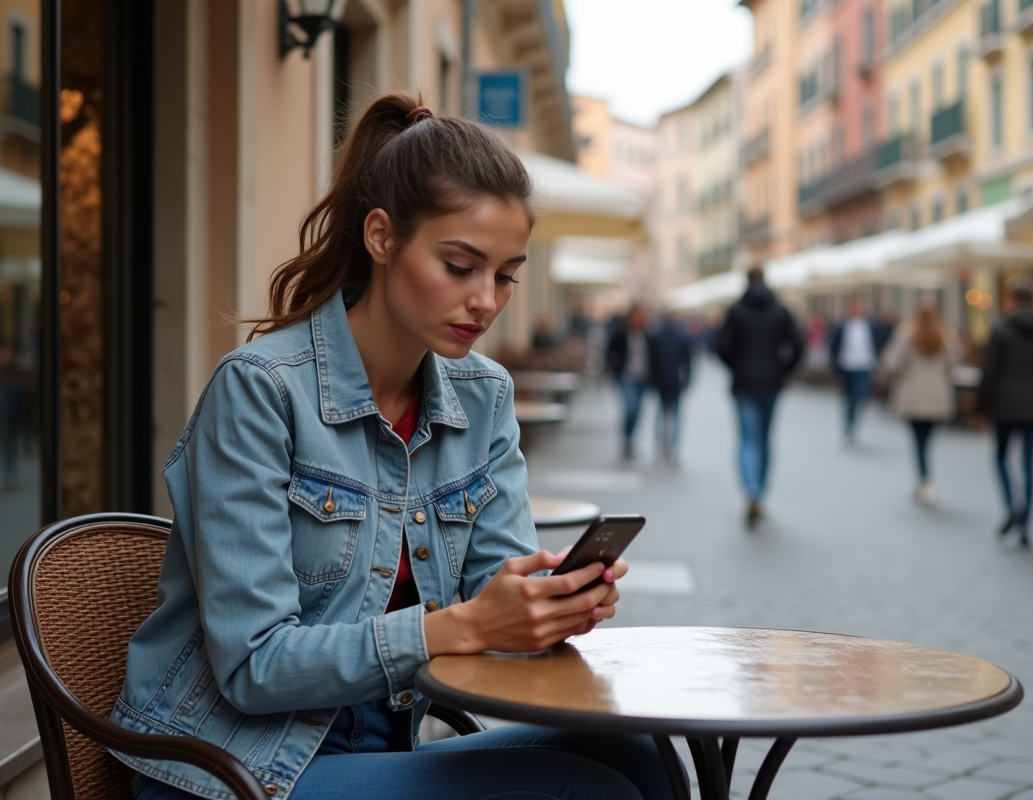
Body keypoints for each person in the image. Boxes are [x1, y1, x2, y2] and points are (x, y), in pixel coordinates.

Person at [111, 95, 671, 800]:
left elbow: (488, 603)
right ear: (381, 237)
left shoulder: (483, 396)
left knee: (637, 749)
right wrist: (461, 625)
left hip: (381, 747)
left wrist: (542, 605)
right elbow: (255, 667)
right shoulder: (260, 392)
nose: (487, 301)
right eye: (460, 265)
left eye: (504, 275)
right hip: (234, 766)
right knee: (581, 790)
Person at [717, 267, 804, 523]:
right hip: (772, 382)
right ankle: (760, 490)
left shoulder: (736, 311)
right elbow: (797, 345)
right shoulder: (780, 310)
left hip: (744, 382)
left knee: (747, 439)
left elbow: (722, 347)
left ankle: (751, 488)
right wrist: (783, 368)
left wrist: (737, 366)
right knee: (765, 439)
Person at [976, 279, 1033, 546]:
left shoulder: (1000, 329)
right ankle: (1025, 524)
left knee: (1000, 457)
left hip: (1004, 406)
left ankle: (1012, 506)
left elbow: (989, 372)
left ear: (1011, 299)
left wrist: (980, 407)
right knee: (1030, 464)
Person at [880, 304, 959, 505]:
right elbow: (953, 364)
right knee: (927, 440)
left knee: (918, 441)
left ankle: (923, 480)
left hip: (913, 396)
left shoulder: (907, 336)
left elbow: (892, 364)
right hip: (937, 397)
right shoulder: (946, 337)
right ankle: (925, 480)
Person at [829, 296, 889, 443]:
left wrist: (879, 362)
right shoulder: (843, 325)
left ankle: (853, 421)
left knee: (861, 394)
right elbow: (833, 346)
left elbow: (879, 343)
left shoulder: (870, 325)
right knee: (849, 397)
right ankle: (849, 424)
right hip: (847, 365)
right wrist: (834, 367)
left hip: (864, 366)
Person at [606, 304, 651, 459]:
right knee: (630, 408)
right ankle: (626, 438)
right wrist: (613, 367)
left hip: (642, 378)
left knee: (638, 411)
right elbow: (609, 352)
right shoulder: (621, 334)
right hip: (625, 377)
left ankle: (630, 440)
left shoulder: (647, 334)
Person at [648, 310, 692, 465]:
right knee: (673, 415)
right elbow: (687, 362)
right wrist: (687, 379)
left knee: (663, 414)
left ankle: (663, 446)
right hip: (674, 381)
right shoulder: (680, 337)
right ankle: (670, 447)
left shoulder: (657, 337)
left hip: (664, 381)